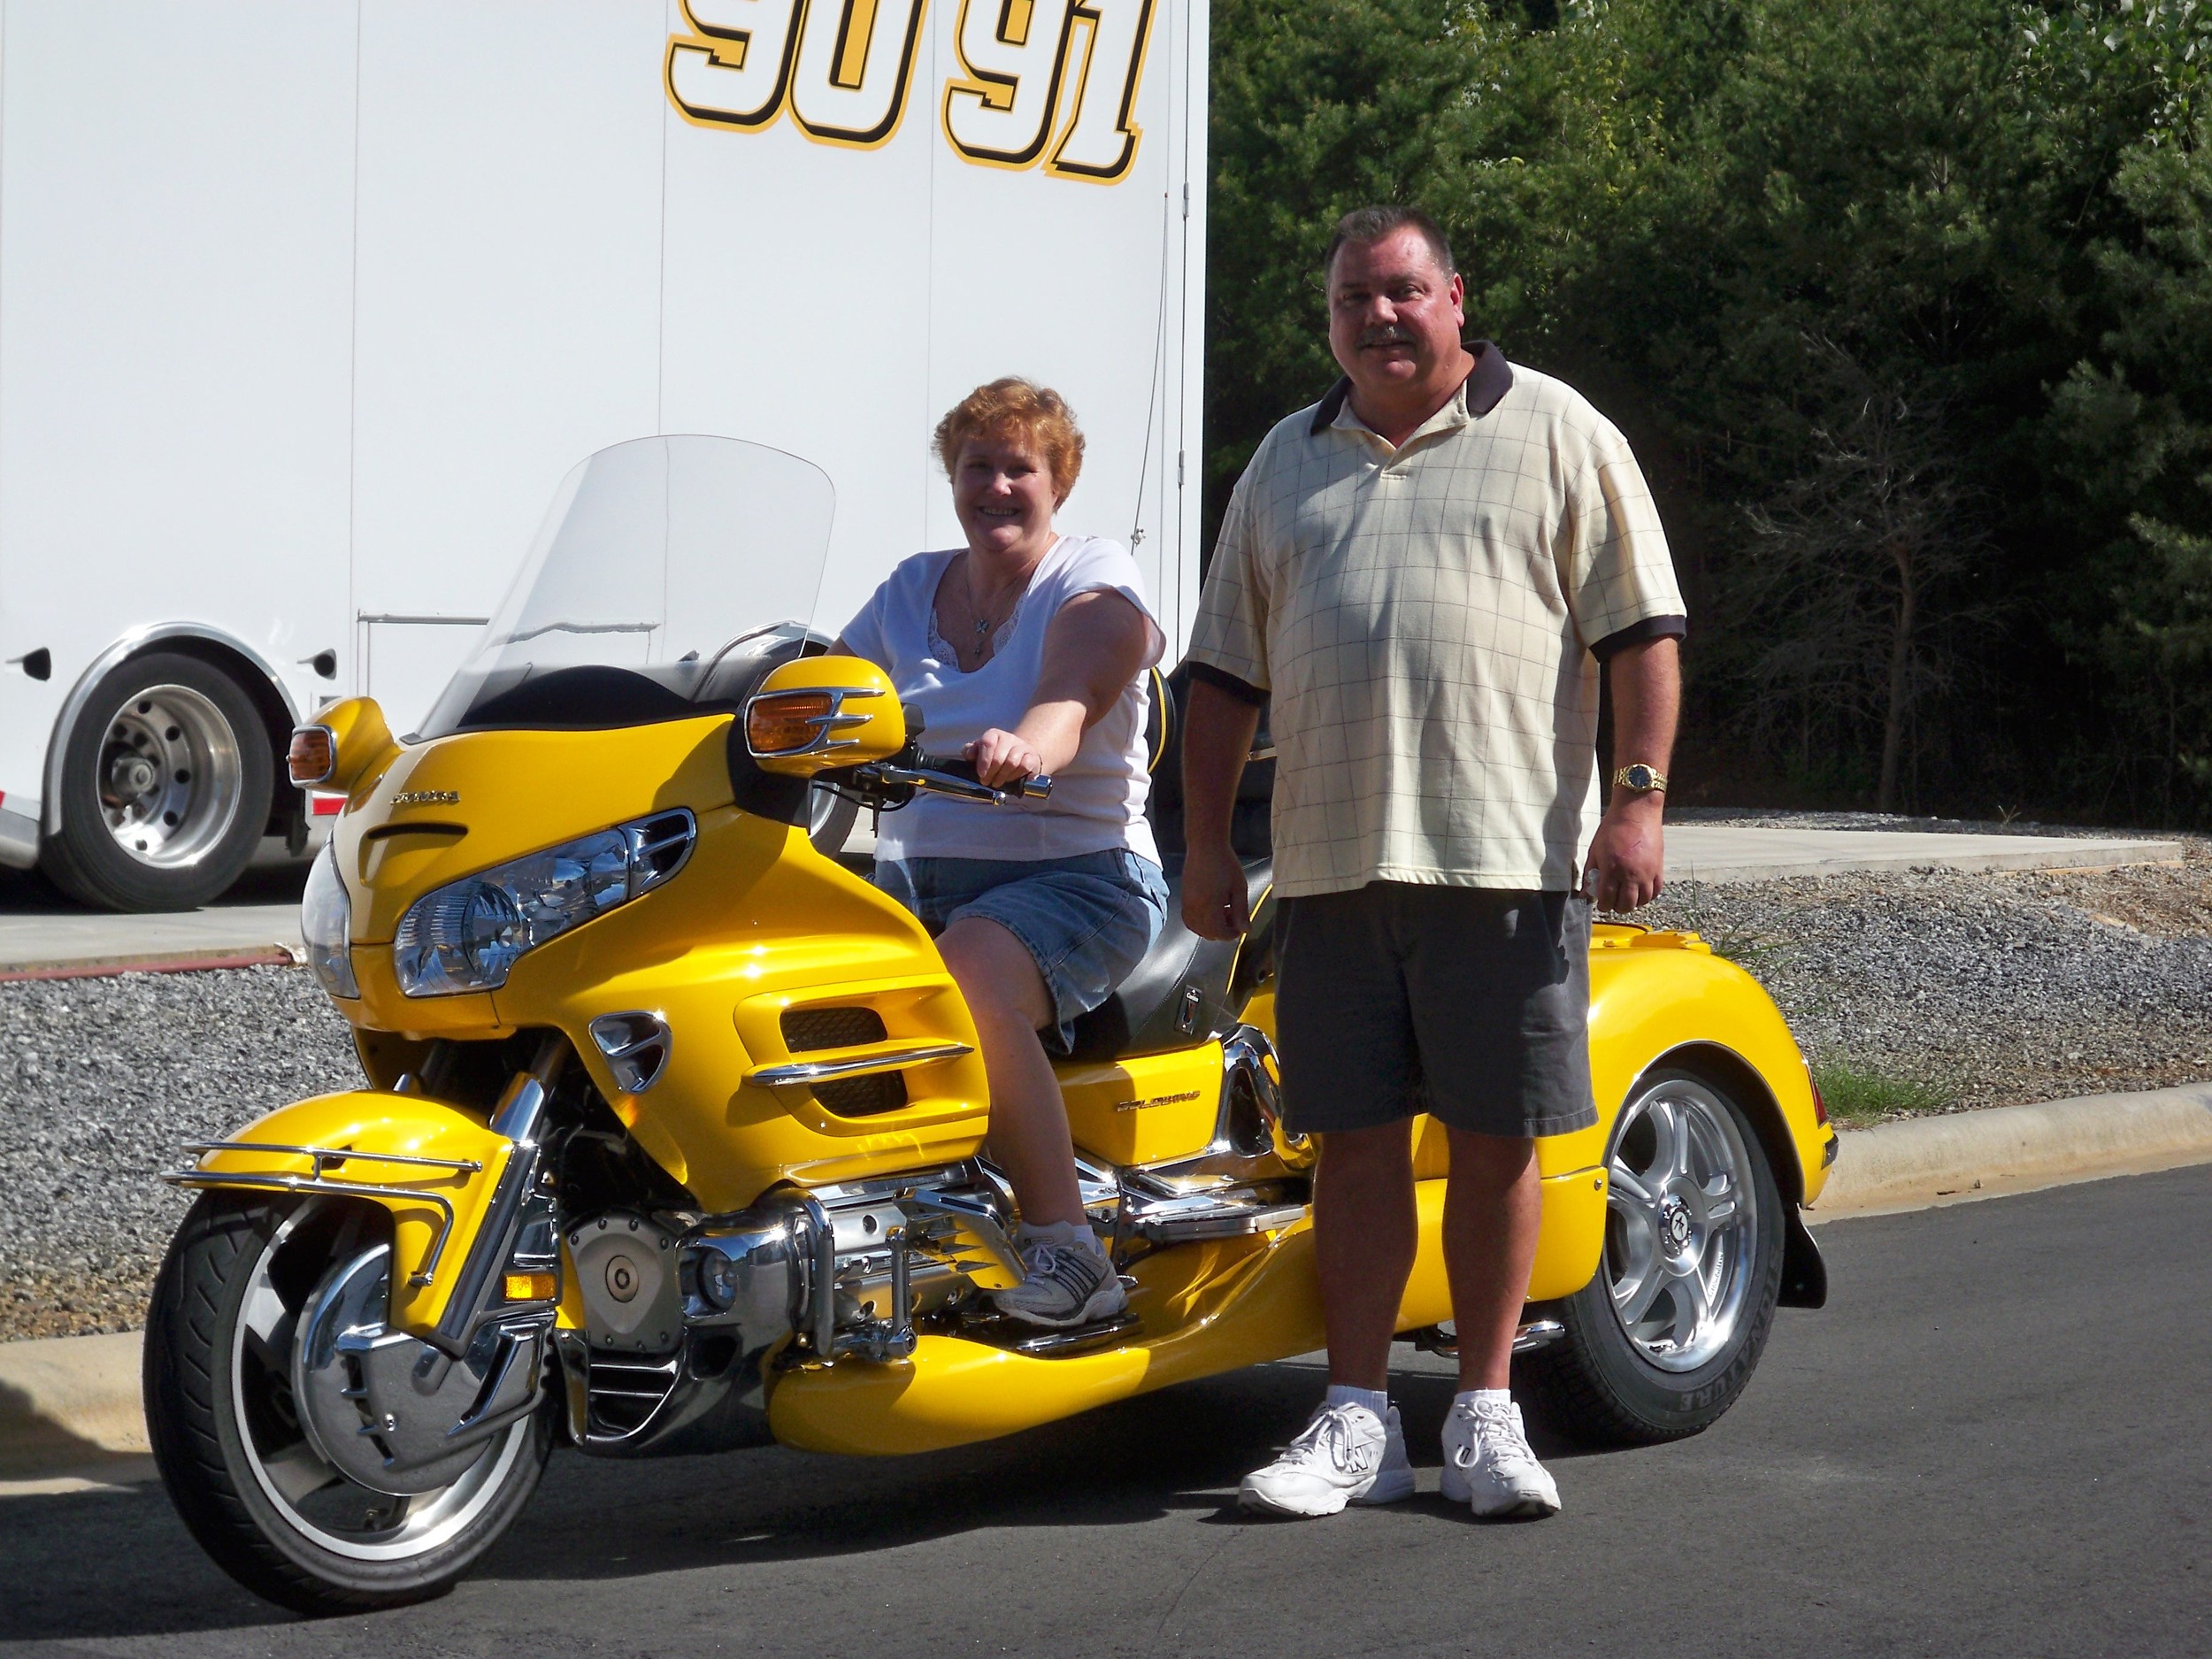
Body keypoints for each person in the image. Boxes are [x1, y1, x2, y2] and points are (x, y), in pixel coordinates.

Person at [1179, 206, 1684, 1518]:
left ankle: (1483, 1414)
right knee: (1349, 1146)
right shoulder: (1283, 464)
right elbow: (1223, 676)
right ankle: (1353, 1420)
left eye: (1403, 292)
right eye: (1354, 300)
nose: (1380, 318)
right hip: (1333, 869)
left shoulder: (1562, 431)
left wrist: (1636, 802)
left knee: (1495, 1143)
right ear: (1331, 320)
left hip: (1504, 859)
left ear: (1456, 297)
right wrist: (1200, 843)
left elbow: (1642, 635)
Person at [837, 378, 1169, 1327]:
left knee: (971, 973)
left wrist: (1034, 740)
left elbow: (1082, 676)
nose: (996, 487)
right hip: (911, 878)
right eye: (977, 466)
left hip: (1077, 876)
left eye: (1019, 466)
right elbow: (821, 680)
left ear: (1057, 479)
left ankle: (1070, 1251)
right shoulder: (909, 589)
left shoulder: (1091, 578)